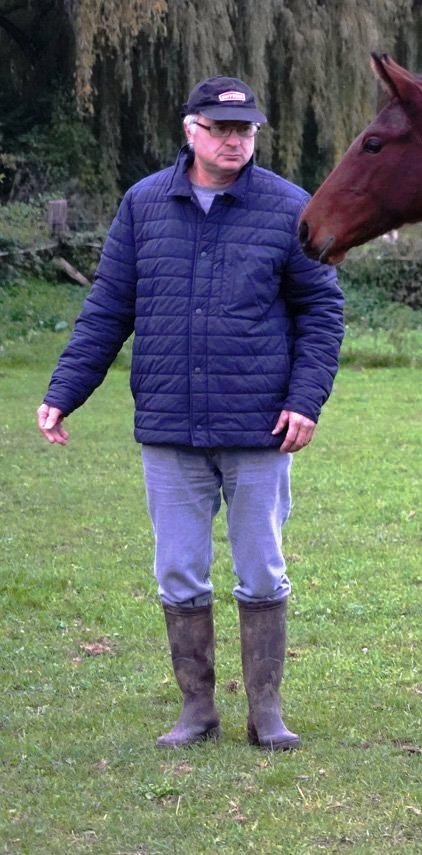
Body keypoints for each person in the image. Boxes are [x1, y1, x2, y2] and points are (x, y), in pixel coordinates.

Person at [36, 75, 344, 750]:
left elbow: (322, 312)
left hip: (260, 427)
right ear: (190, 130)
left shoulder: (289, 207)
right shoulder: (144, 204)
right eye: (220, 128)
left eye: (245, 130)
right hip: (170, 424)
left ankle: (266, 713)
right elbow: (108, 307)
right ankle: (197, 710)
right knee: (177, 570)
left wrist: (305, 399)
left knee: (262, 569)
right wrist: (64, 391)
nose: (234, 141)